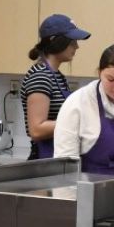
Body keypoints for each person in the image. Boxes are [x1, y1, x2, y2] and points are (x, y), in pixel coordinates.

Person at [21, 14, 90, 159]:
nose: (76, 47)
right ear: (58, 42)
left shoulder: (57, 76)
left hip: (56, 157)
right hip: (43, 160)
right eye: (72, 42)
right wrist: (77, 121)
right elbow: (36, 129)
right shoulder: (40, 76)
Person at [53, 44, 114, 175]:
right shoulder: (78, 103)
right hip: (89, 191)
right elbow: (65, 166)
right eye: (110, 80)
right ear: (99, 73)